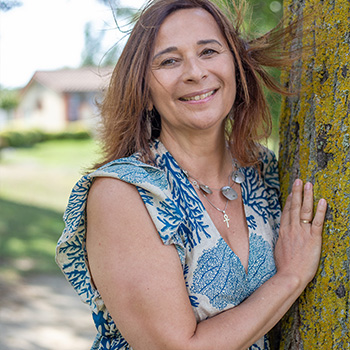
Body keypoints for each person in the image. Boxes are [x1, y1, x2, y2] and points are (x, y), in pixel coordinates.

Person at [56, 0, 327, 349]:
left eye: (209, 51)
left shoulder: (262, 171)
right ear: (146, 92)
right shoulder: (123, 193)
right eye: (169, 60)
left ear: (236, 67)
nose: (195, 72)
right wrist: (291, 277)